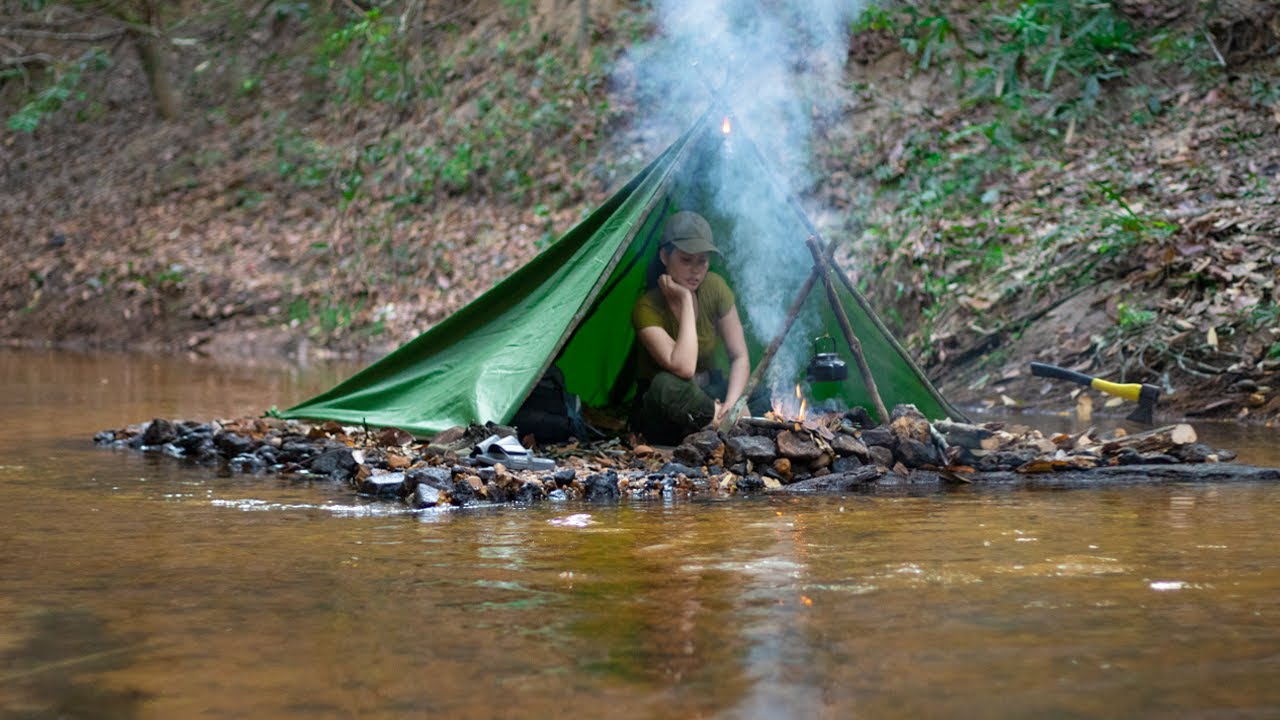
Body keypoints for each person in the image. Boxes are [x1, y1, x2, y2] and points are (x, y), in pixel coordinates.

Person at [630, 211, 765, 444]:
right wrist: (685, 299)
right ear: (664, 256)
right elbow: (684, 368)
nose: (695, 270)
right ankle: (725, 427)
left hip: (707, 394)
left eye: (702, 261)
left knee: (761, 392)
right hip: (668, 409)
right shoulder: (646, 307)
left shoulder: (714, 287)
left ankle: (722, 423)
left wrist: (732, 405)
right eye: (685, 260)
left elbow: (739, 356)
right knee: (666, 385)